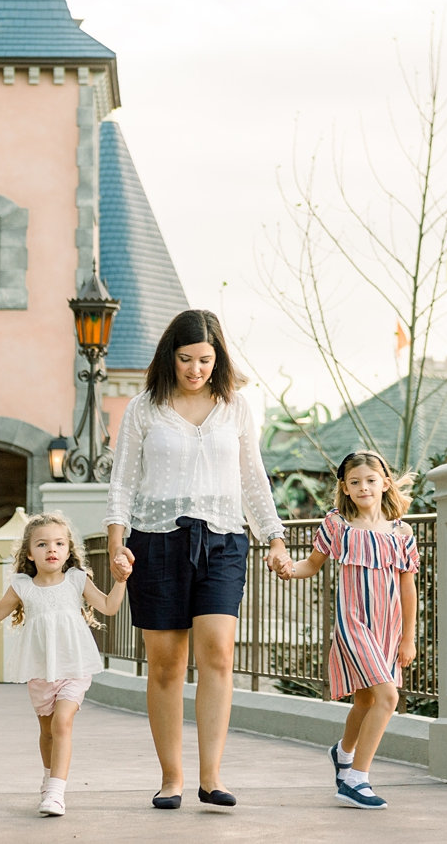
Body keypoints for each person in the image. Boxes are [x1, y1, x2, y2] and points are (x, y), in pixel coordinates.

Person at [104, 309, 291, 809]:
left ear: (218, 358)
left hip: (224, 540)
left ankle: (213, 778)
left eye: (205, 360)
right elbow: (122, 480)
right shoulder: (145, 408)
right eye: (186, 359)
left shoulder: (235, 407)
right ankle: (172, 778)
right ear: (171, 356)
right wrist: (116, 541)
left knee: (218, 654)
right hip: (156, 540)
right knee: (166, 666)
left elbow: (253, 478)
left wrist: (273, 536)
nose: (195, 370)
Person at [279, 450, 418, 810]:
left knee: (367, 700)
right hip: (353, 623)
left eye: (370, 481)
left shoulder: (401, 531)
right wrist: (286, 568)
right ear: (345, 487)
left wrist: (408, 637)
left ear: (385, 483)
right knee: (388, 698)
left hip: (388, 628)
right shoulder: (337, 524)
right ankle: (356, 780)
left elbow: (407, 587)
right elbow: (310, 565)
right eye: (354, 482)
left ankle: (343, 753)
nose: (363, 487)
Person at [0, 513, 125, 816]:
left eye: (59, 543)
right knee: (48, 731)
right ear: (29, 553)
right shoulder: (22, 585)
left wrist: (120, 582)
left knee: (63, 723)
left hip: (74, 667)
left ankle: (56, 793)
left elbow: (109, 606)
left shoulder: (76, 579)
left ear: (67, 550)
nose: (52, 549)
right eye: (43, 544)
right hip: (40, 671)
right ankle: (50, 776)